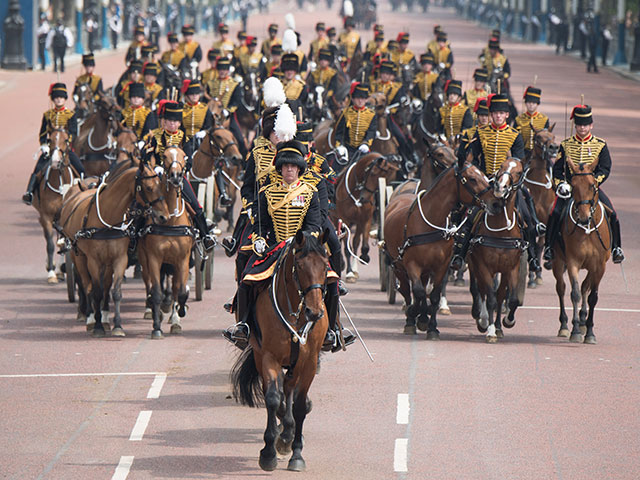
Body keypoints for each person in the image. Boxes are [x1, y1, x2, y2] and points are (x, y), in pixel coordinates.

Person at [451, 93, 542, 273]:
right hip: (486, 184)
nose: (498, 116)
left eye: (501, 113)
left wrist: (509, 179)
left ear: (507, 115)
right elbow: (473, 159)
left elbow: (518, 162)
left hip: (509, 184)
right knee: (470, 217)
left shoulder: (515, 135)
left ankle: (532, 258)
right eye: (495, 113)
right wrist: (481, 177)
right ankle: (460, 255)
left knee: (528, 218)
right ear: (491, 115)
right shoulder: (480, 133)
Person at [543, 105, 624, 266]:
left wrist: (594, 183)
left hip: (591, 189)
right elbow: (558, 170)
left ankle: (616, 248)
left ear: (591, 126)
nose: (582, 128)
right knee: (555, 213)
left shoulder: (600, 145)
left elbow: (605, 168)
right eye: (579, 125)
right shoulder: (566, 145)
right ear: (575, 126)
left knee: (613, 214)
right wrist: (560, 185)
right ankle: (549, 248)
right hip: (570, 190)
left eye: (585, 125)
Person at [143, 100, 216, 252]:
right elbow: (146, 157)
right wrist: (156, 167)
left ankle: (205, 236)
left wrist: (181, 169)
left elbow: (189, 160)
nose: (172, 124)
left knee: (195, 206)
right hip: (158, 178)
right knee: (140, 204)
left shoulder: (184, 138)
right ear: (164, 121)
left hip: (178, 178)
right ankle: (135, 236)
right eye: (170, 121)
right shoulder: (155, 137)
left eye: (176, 121)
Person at [23, 83, 85, 205]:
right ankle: (30, 193)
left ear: (65, 99)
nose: (58, 99)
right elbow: (42, 133)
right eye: (56, 97)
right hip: (50, 149)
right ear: (53, 99)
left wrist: (67, 143)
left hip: (65, 149)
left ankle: (84, 191)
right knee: (38, 169)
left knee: (80, 168)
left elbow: (73, 132)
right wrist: (44, 145)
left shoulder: (71, 115)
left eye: (61, 97)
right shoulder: (47, 115)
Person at [371, 60, 418, 168]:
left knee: (401, 137)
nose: (385, 76)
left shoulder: (397, 87)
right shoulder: (373, 85)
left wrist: (390, 110)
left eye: (388, 74)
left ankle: (407, 159)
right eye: (383, 73)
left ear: (392, 75)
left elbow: (399, 103)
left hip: (389, 117)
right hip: (372, 116)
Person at [205, 57, 247, 159]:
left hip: (228, 118)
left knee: (240, 140)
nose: (222, 72)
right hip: (212, 118)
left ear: (228, 70)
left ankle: (243, 165)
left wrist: (227, 110)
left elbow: (237, 101)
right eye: (220, 69)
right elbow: (205, 100)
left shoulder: (234, 84)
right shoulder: (210, 84)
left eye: (224, 69)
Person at [334, 83, 377, 164]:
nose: (360, 101)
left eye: (363, 98)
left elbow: (372, 131)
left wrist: (366, 144)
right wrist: (340, 145)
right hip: (347, 149)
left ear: (366, 99)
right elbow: (339, 132)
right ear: (353, 99)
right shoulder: (346, 113)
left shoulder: (372, 114)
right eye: (358, 98)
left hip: (363, 150)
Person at [180, 80, 214, 169]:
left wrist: (205, 132)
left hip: (201, 140)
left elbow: (211, 125)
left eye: (197, 93)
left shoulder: (204, 108)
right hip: (184, 140)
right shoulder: (182, 109)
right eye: (192, 94)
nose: (195, 96)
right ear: (187, 95)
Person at [514, 86, 550, 158]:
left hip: (539, 154)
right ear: (525, 103)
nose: (531, 105)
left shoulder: (544, 119)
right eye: (529, 102)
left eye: (534, 102)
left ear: (537, 104)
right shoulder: (518, 119)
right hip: (522, 153)